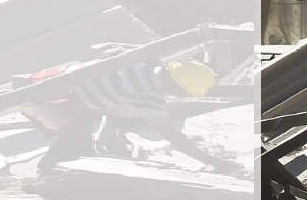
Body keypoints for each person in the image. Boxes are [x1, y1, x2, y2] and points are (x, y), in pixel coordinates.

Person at [24, 53, 235, 174]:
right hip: (57, 98)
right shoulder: (147, 94)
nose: (181, 97)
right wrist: (210, 160)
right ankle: (46, 176)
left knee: (85, 137)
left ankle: (53, 170)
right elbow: (171, 135)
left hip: (57, 78)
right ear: (176, 83)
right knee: (73, 147)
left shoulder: (147, 63)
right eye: (184, 93)